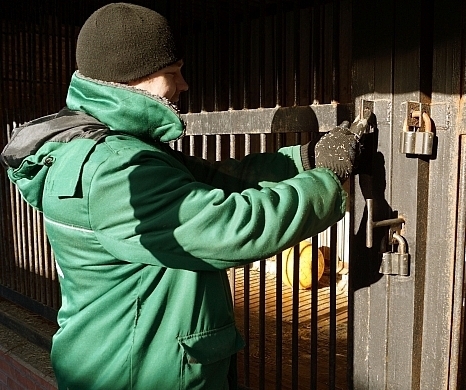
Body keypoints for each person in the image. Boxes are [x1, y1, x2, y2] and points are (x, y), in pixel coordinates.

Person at [0, 3, 363, 389]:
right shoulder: (114, 170)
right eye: (172, 73)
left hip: (117, 356)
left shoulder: (107, 148)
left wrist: (306, 158)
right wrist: (327, 180)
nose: (184, 85)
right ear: (131, 80)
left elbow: (217, 179)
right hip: (139, 372)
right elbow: (229, 227)